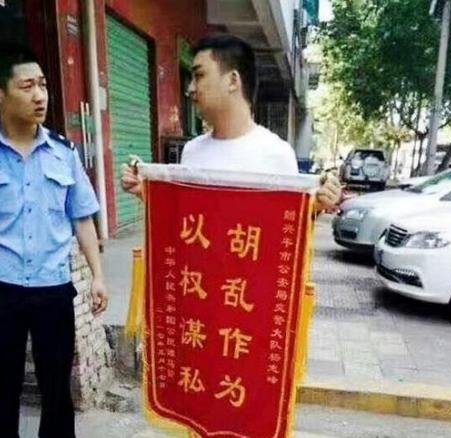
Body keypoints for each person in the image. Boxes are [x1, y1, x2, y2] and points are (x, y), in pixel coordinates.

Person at [0, 45, 108, 438]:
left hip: (53, 289)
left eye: (43, 85)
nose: (39, 95)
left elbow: (83, 217)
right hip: (3, 289)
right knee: (3, 390)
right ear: (2, 94)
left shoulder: (64, 152)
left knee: (57, 392)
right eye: (27, 86)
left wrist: (98, 276)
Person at [121, 34, 341, 210]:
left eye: (199, 76)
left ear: (233, 81)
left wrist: (318, 203)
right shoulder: (192, 151)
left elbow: (286, 228)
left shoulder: (277, 154)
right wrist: (144, 192)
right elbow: (185, 219)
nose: (190, 88)